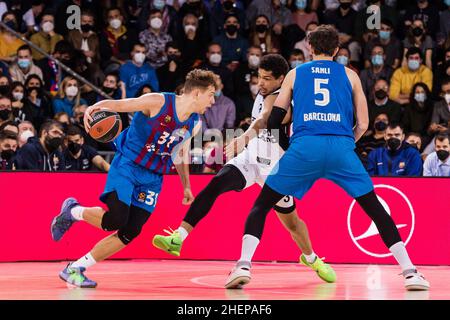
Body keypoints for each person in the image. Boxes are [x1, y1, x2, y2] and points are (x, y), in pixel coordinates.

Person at [223, 25, 429, 291]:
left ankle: (243, 266)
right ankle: (410, 272)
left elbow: (275, 119)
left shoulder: (295, 74)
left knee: (261, 205)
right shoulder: (351, 75)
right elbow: (364, 123)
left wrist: (289, 146)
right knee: (376, 209)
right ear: (336, 50)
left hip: (304, 148)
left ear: (310, 48)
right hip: (341, 147)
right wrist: (343, 145)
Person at [152, 54, 336, 284]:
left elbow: (266, 119)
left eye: (267, 79)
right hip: (252, 158)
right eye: (259, 77)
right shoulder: (262, 92)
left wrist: (244, 137)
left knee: (291, 223)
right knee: (216, 184)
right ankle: (179, 238)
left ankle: (311, 258)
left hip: (277, 168)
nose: (261, 83)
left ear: (281, 79)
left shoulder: (288, 100)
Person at [50, 69, 217, 288]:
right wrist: (95, 108)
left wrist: (186, 186)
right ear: (196, 93)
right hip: (128, 164)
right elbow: (121, 105)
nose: (213, 101)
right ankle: (72, 211)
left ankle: (75, 268)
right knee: (115, 220)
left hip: (153, 177)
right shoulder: (158, 101)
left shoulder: (194, 123)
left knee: (131, 231)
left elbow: (179, 154)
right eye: (211, 94)